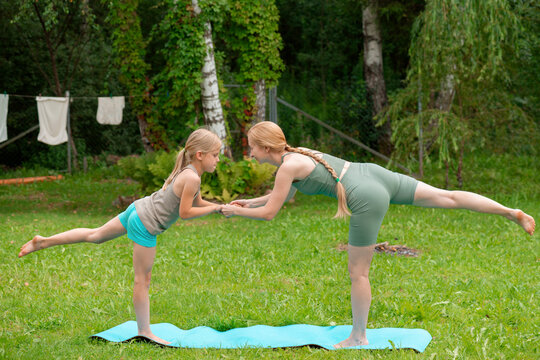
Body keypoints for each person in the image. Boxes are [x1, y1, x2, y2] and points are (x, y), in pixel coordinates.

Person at [221, 121, 536, 349]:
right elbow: (277, 196)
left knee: (358, 273)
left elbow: (270, 212)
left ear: (265, 147)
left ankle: (358, 337)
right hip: (372, 174)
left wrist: (236, 211)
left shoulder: (286, 167)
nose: (250, 152)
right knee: (448, 196)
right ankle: (511, 212)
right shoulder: (298, 154)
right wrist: (251, 201)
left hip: (365, 196)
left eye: (251, 147)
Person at [19, 128, 224, 345]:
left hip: (138, 209)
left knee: (95, 235)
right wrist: (214, 210)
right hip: (146, 223)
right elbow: (185, 213)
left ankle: (42, 241)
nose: (218, 160)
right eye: (215, 154)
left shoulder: (190, 172)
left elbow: (198, 202)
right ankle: (144, 331)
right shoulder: (192, 177)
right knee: (142, 279)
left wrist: (221, 207)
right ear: (200, 154)